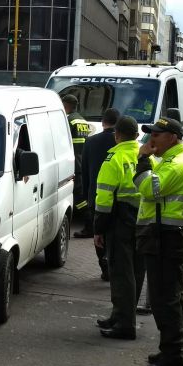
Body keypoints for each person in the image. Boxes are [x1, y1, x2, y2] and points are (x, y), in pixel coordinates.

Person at [134, 117, 183, 366]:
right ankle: (171, 352)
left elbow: (148, 189)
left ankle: (173, 359)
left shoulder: (177, 165)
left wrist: (142, 159)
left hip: (168, 238)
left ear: (172, 137)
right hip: (166, 237)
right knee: (172, 296)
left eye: (157, 135)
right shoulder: (171, 161)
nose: (151, 140)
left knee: (165, 300)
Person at [93, 116, 144, 340]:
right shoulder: (145, 155)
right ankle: (121, 315)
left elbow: (104, 198)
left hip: (120, 219)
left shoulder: (114, 158)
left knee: (121, 272)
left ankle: (125, 324)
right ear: (137, 135)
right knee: (136, 269)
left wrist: (98, 229)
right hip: (143, 218)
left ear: (117, 135)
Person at [77, 108, 121, 282]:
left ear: (103, 122)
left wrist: (87, 194)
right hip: (119, 198)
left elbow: (85, 170)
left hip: (96, 195)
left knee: (99, 233)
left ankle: (105, 268)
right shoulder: (122, 143)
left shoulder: (91, 141)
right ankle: (116, 265)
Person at [62, 94, 91, 213]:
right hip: (82, 161)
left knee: (78, 194)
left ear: (67, 105)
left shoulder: (69, 120)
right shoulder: (83, 120)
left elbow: (63, 142)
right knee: (80, 190)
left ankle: (88, 216)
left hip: (73, 162)